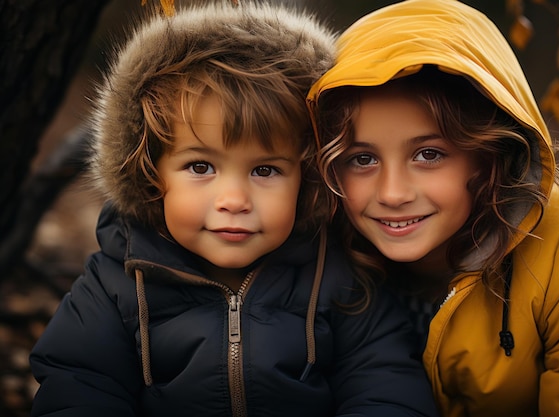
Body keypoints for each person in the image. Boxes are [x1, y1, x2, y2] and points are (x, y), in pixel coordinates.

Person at [28, 2, 440, 416]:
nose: (235, 200)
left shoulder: (338, 279)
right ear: (152, 173)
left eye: (265, 169)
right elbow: (79, 383)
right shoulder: (118, 280)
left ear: (308, 178)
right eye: (201, 167)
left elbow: (385, 385)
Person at [307, 0, 559, 416]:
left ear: (490, 153)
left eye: (428, 155)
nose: (393, 193)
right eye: (362, 159)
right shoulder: (308, 257)